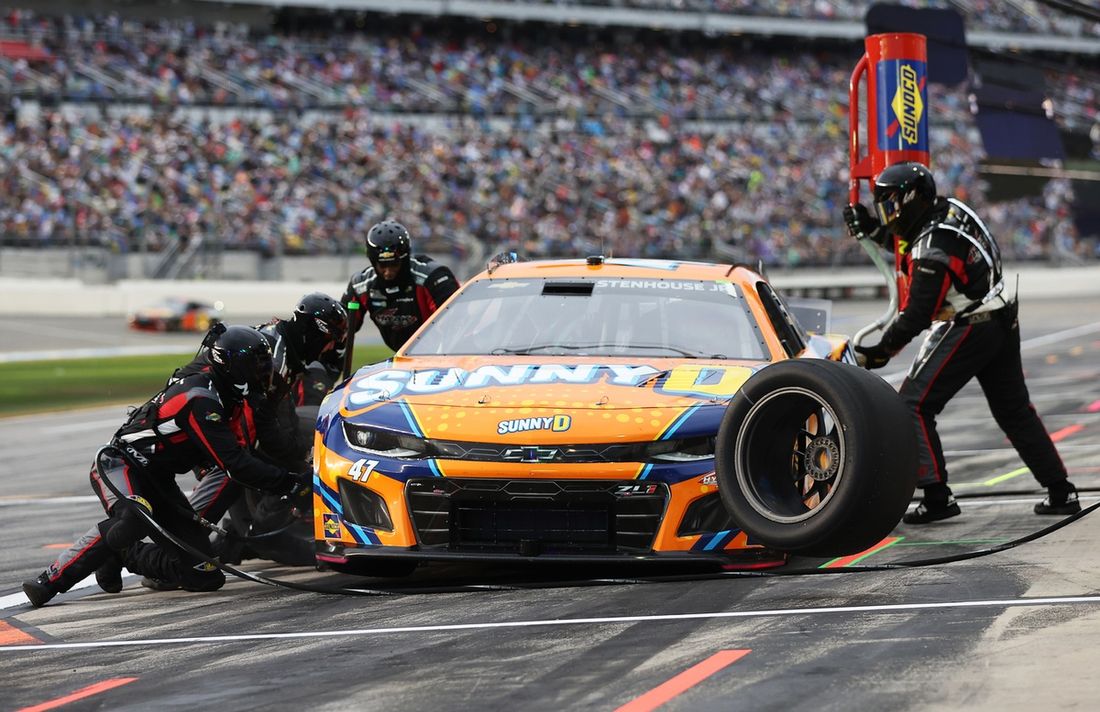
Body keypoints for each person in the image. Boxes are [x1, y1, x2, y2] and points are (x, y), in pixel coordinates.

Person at [844, 161, 1080, 524]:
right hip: (1000, 316)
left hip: (971, 325)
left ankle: (937, 496)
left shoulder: (933, 246)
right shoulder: (950, 211)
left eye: (890, 204)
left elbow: (919, 313)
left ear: (911, 199)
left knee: (912, 405)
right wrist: (876, 232)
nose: (887, 213)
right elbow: (915, 240)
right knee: (1015, 411)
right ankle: (1061, 489)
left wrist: (880, 351)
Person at [22, 326, 311, 607]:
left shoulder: (232, 393)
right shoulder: (200, 398)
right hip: (121, 464)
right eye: (255, 364)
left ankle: (124, 553)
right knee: (134, 516)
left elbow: (249, 443)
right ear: (230, 364)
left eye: (264, 364)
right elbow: (234, 463)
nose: (263, 372)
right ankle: (50, 581)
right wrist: (291, 484)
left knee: (205, 576)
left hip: (160, 478)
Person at [142, 293, 347, 586]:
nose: (330, 349)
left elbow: (269, 422)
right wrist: (288, 473)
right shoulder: (274, 356)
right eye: (331, 341)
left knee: (247, 487)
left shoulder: (287, 351)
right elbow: (248, 429)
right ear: (317, 333)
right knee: (225, 485)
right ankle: (156, 558)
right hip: (208, 431)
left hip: (226, 434)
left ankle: (234, 540)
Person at [340, 219, 459, 374]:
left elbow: (457, 325)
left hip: (442, 357)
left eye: (394, 264)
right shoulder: (361, 285)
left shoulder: (432, 278)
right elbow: (341, 329)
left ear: (405, 258)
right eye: (382, 266)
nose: (388, 272)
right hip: (403, 360)